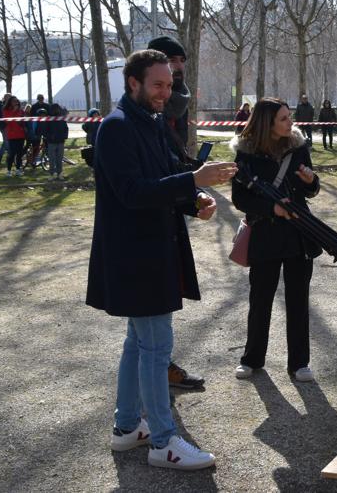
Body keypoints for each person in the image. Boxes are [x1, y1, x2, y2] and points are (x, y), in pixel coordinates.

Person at [86, 49, 238, 471]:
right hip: (135, 256)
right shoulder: (115, 128)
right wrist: (192, 180)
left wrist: (195, 201)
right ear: (132, 83)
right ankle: (164, 442)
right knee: (155, 347)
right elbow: (133, 192)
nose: (165, 92)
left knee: (139, 344)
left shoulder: (150, 123)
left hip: (153, 249)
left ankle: (126, 428)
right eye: (158, 84)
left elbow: (161, 181)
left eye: (169, 84)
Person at [229, 98, 322, 383]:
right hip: (265, 234)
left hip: (298, 234)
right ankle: (252, 359)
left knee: (298, 300)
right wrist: (271, 208)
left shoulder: (298, 148)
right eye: (283, 118)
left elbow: (312, 190)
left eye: (289, 116)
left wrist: (310, 181)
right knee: (260, 299)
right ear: (266, 123)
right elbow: (239, 198)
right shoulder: (246, 154)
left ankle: (299, 363)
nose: (289, 122)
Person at [146, 35, 208, 391]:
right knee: (150, 313)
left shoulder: (173, 105)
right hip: (151, 217)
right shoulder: (139, 119)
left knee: (163, 301)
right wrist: (190, 183)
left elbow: (174, 160)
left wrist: (192, 191)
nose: (179, 67)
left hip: (170, 205)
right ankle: (153, 383)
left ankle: (159, 370)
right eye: (171, 61)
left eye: (182, 61)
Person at [41, 103, 69, 180]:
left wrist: (64, 137)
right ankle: (51, 174)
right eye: (55, 109)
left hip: (60, 141)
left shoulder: (61, 119)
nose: (57, 110)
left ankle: (59, 173)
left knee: (59, 159)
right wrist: (50, 137)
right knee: (52, 159)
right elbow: (45, 131)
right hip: (51, 142)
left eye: (58, 108)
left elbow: (66, 129)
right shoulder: (48, 119)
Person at [1, 96, 27, 176]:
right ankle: (9, 170)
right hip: (12, 135)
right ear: (10, 102)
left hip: (21, 135)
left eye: (16, 101)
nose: (16, 102)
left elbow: (23, 121)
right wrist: (14, 111)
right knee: (12, 153)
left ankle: (18, 169)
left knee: (19, 153)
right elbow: (8, 121)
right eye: (14, 101)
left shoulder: (21, 111)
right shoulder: (6, 110)